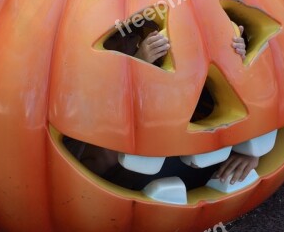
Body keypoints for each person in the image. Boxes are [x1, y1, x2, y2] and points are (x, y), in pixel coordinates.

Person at [65, 19, 258, 187]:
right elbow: (104, 108)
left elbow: (256, 93)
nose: (124, 42)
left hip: (202, 145)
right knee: (108, 154)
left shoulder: (172, 56)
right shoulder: (95, 79)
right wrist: (138, 67)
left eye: (130, 36)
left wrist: (253, 149)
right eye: (114, 39)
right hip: (152, 159)